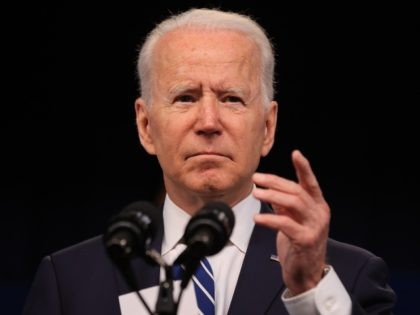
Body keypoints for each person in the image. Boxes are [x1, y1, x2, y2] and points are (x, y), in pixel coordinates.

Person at [23, 8, 396, 315]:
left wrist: (310, 290)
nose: (208, 122)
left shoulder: (346, 276)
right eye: (185, 97)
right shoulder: (69, 281)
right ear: (146, 125)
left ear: (267, 127)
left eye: (232, 98)